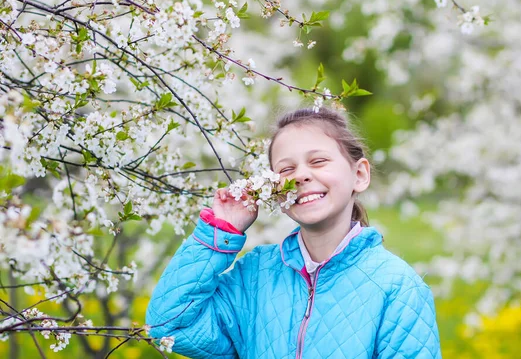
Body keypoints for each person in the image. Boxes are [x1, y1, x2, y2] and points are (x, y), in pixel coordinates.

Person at [145, 108, 441, 358]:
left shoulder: (397, 288)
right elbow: (170, 327)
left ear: (359, 174)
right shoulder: (256, 275)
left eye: (318, 161)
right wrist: (221, 232)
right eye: (286, 170)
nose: (300, 175)